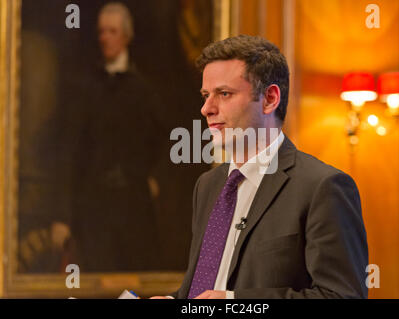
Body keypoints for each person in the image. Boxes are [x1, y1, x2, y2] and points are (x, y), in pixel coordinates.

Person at [152, 35, 368, 299]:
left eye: (224, 94)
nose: (206, 108)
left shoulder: (322, 187)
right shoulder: (207, 185)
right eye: (206, 95)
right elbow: (209, 286)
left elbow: (341, 296)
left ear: (269, 99)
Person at [56, 2, 164, 272]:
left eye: (112, 31)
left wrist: (152, 177)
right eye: (101, 31)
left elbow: (162, 140)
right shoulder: (86, 88)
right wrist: (63, 217)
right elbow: (70, 152)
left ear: (126, 36)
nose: (105, 37)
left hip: (133, 208)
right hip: (93, 208)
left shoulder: (144, 90)